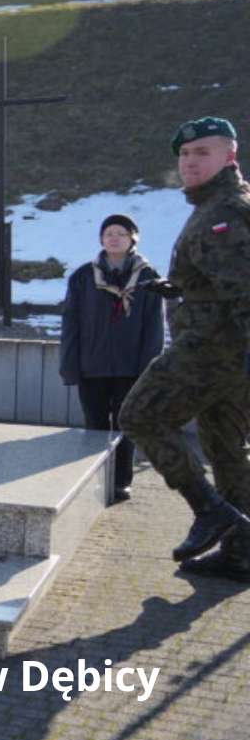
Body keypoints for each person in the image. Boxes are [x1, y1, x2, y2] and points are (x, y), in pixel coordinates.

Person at [120, 117, 250, 582]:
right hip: (227, 351)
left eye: (203, 153)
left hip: (212, 350)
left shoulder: (222, 214)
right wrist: (181, 289)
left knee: (140, 415)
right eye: (185, 155)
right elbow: (222, 280)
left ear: (229, 156)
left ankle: (209, 510)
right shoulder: (222, 203)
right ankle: (241, 551)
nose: (190, 162)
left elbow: (244, 290)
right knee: (225, 447)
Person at [59, 214, 164, 503]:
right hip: (91, 366)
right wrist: (70, 366)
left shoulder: (147, 278)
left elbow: (154, 328)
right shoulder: (83, 276)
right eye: (108, 233)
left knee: (125, 425)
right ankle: (92, 481)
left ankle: (120, 481)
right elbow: (71, 325)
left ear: (132, 240)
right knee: (94, 426)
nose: (114, 237)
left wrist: (149, 370)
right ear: (101, 240)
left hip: (131, 368)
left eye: (121, 233)